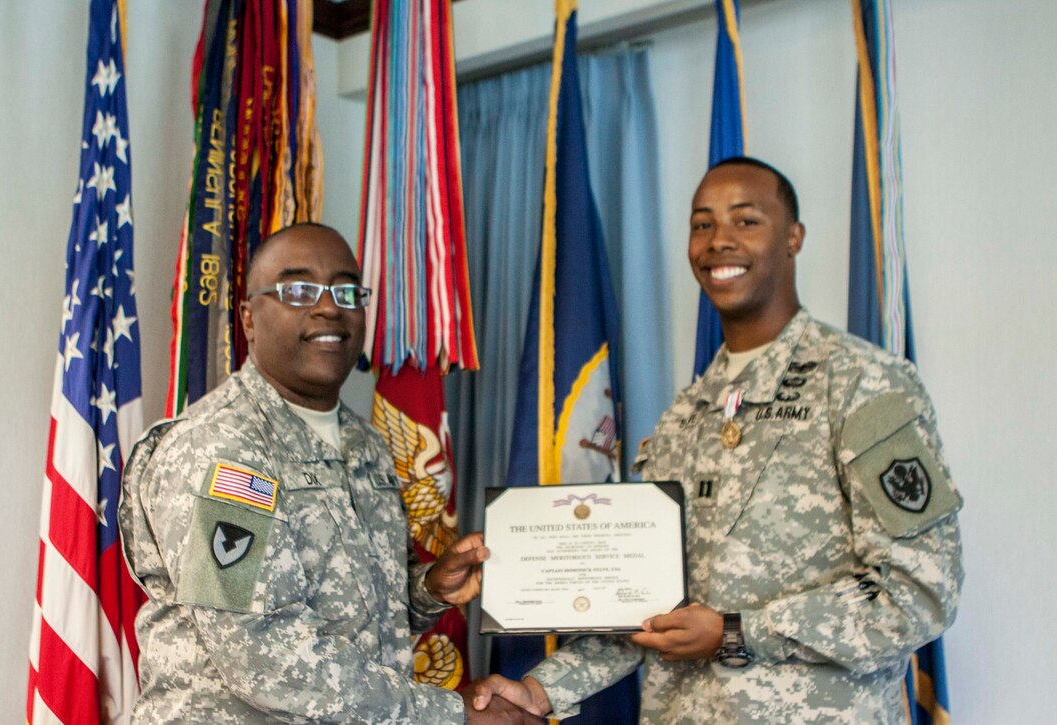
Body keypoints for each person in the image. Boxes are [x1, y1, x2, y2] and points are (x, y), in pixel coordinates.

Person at [467, 157, 964, 723]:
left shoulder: (862, 384)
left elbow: (919, 591)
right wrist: (544, 688)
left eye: (745, 221)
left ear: (793, 237)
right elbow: (649, 611)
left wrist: (738, 633)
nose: (718, 241)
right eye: (701, 224)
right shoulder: (685, 415)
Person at [119, 223, 541, 723]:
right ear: (249, 318)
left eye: (345, 291)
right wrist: (453, 716)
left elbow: (355, 610)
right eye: (298, 290)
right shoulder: (222, 448)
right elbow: (259, 652)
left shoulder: (365, 444)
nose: (328, 308)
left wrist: (429, 589)